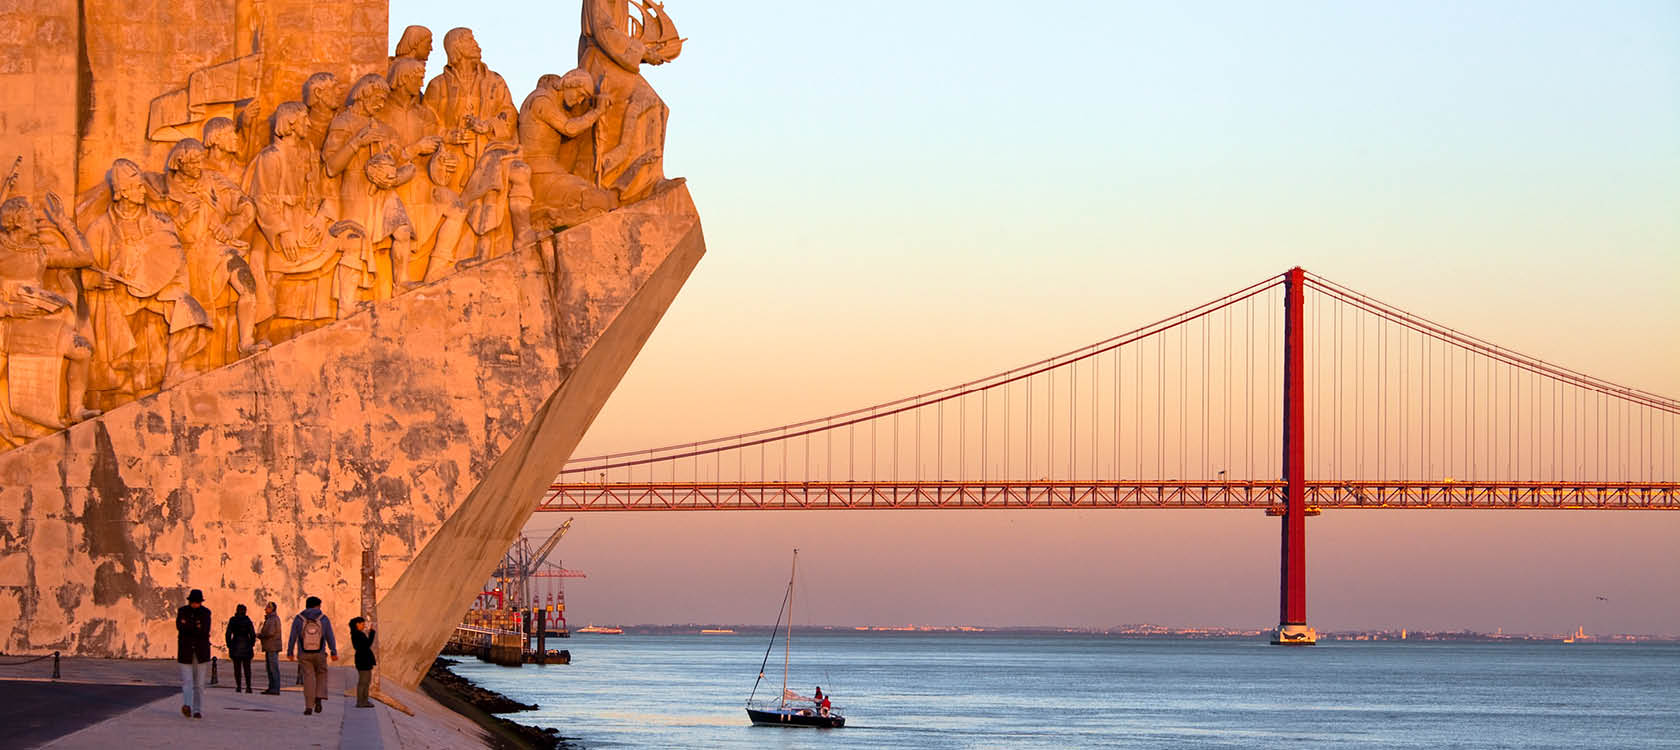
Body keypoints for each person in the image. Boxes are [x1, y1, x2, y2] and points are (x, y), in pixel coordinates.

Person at [286, 595, 338, 715]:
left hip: (304, 654)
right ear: (317, 606)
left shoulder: (299, 619)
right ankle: (319, 698)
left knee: (308, 679)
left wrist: (290, 652)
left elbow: (293, 636)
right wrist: (333, 651)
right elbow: (330, 636)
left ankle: (309, 706)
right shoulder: (323, 618)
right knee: (321, 674)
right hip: (320, 653)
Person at [175, 589, 212, 719]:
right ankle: (187, 705)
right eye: (194, 602)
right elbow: (180, 627)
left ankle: (198, 709)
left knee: (199, 684)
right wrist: (195, 626)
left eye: (198, 602)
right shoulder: (182, 611)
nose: (196, 604)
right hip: (186, 651)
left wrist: (189, 625)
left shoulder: (206, 613)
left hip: (201, 652)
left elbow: (204, 630)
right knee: (187, 682)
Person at [224, 603, 256, 693]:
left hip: (235, 645)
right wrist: (251, 644)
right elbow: (252, 634)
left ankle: (238, 686)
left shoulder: (233, 620)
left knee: (237, 668)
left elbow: (228, 634)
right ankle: (248, 687)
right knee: (247, 668)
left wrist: (229, 644)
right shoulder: (247, 620)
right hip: (246, 645)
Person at [349, 616, 377, 708]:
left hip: (363, 660)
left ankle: (364, 701)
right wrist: (372, 632)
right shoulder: (358, 634)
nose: (364, 626)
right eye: (362, 624)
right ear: (357, 624)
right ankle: (361, 702)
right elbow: (367, 644)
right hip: (363, 660)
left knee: (366, 682)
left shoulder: (357, 634)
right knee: (363, 682)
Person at [258, 601, 283, 694]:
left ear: (271, 609)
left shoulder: (272, 619)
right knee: (270, 668)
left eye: (267, 608)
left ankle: (275, 688)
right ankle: (272, 687)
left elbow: (270, 632)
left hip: (272, 646)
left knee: (273, 668)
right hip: (271, 646)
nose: (265, 609)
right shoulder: (272, 618)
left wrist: (260, 635)